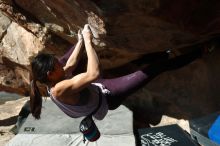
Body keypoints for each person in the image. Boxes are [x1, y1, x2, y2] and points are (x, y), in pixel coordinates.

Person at [30, 24, 210, 120]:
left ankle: (165, 53)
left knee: (138, 64)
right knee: (155, 70)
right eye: (56, 65)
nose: (60, 65)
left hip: (98, 90)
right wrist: (87, 41)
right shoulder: (60, 89)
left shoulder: (53, 79)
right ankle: (201, 52)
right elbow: (93, 74)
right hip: (109, 97)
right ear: (50, 75)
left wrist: (78, 42)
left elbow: (69, 63)